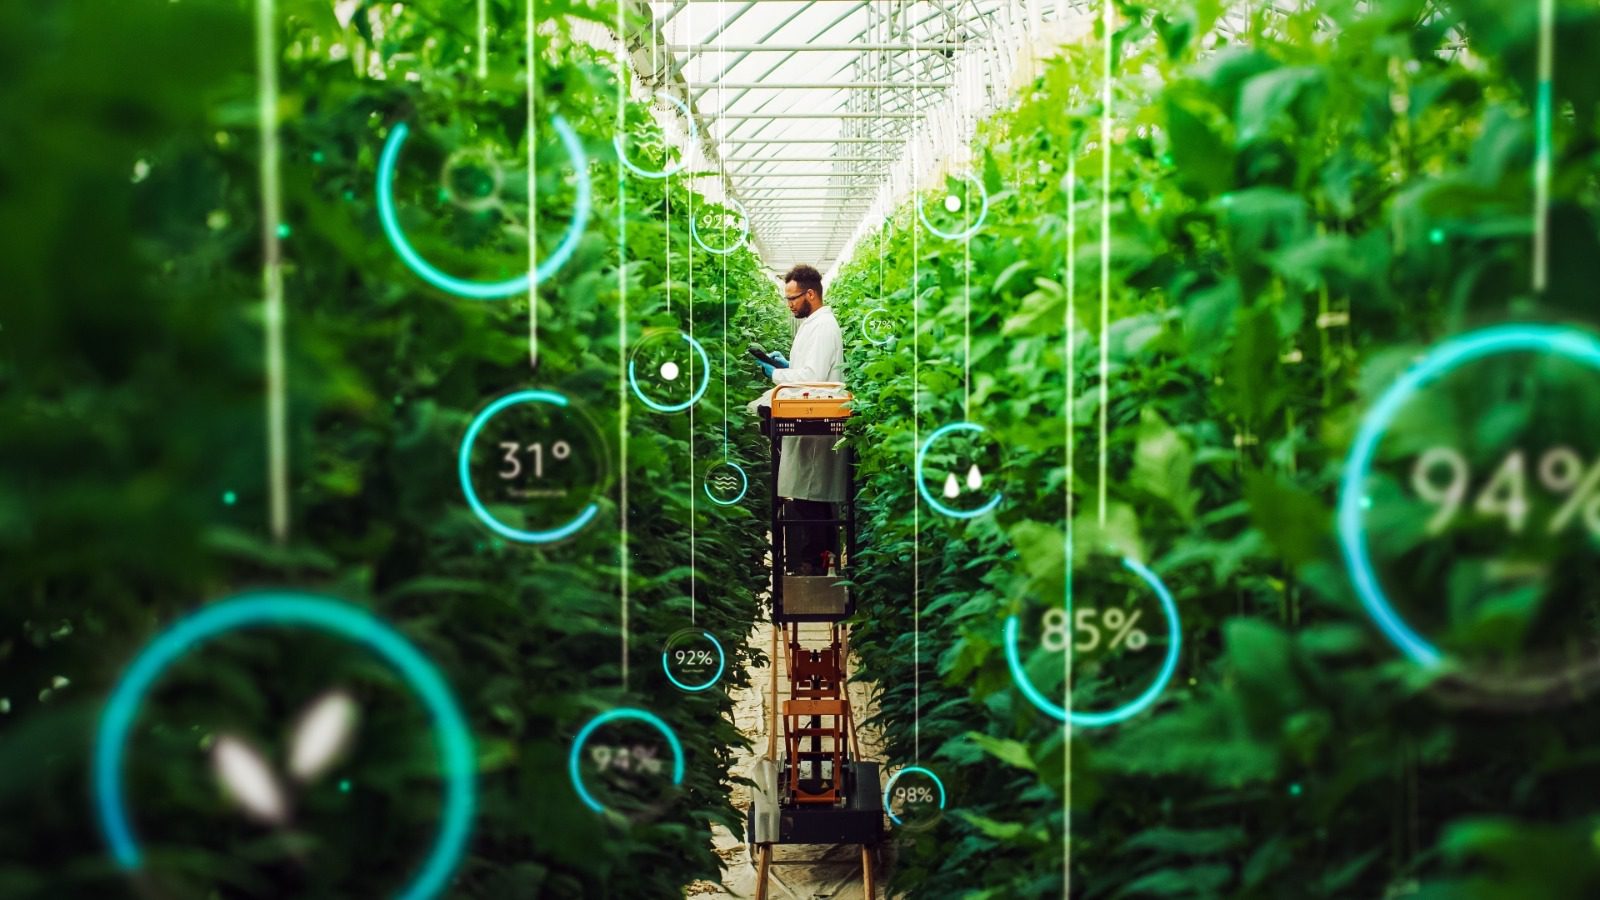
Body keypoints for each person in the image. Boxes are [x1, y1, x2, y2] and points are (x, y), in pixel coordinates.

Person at [760, 264, 846, 575]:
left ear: (810, 293)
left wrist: (778, 373)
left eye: (793, 298)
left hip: (815, 424)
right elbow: (809, 369)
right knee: (811, 497)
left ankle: (816, 563)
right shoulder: (814, 324)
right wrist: (786, 364)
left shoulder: (823, 327)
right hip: (810, 421)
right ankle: (817, 560)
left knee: (812, 498)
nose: (790, 304)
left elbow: (813, 377)